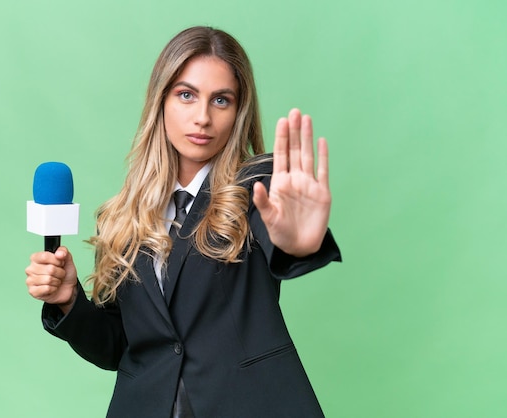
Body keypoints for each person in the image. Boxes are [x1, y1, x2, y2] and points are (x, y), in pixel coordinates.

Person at [25, 26, 341, 418]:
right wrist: (69, 302)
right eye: (186, 95)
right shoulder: (123, 217)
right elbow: (122, 348)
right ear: (161, 101)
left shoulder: (257, 184)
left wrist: (297, 243)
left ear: (238, 112)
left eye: (221, 100)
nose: (202, 117)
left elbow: (281, 234)